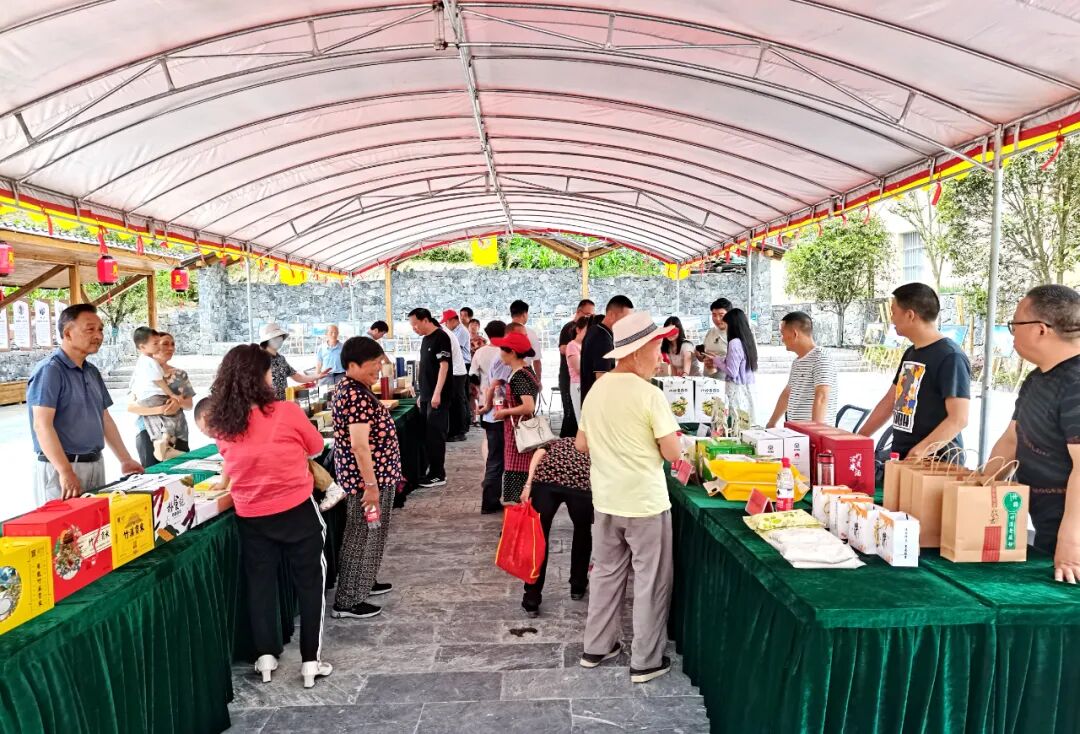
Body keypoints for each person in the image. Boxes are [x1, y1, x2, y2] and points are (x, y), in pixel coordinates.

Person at [203, 345, 332, 688]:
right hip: (297, 509)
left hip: (251, 514)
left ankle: (265, 657)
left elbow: (231, 461)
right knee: (311, 585)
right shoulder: (286, 412)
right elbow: (317, 447)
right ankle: (310, 660)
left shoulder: (221, 422)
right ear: (260, 377)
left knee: (260, 585)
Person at [576, 310, 681, 684]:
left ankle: (597, 646)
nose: (661, 357)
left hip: (606, 500)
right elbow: (672, 453)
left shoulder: (597, 389)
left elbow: (581, 443)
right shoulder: (650, 395)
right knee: (651, 582)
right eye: (657, 348)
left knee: (605, 574)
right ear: (637, 351)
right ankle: (645, 660)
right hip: (645, 503)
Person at [988, 285, 1080, 582]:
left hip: (1072, 537)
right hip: (1048, 525)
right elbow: (1012, 438)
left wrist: (1071, 541)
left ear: (1041, 329)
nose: (1012, 333)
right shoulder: (1037, 378)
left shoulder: (1076, 382)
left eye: (1015, 324)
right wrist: (979, 488)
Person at [28, 304, 143, 504]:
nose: (98, 335)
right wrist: (65, 471)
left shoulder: (92, 371)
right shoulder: (50, 370)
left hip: (94, 463)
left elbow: (104, 419)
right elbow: (41, 425)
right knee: (64, 524)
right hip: (61, 468)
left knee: (95, 522)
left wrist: (125, 459)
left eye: (100, 329)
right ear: (67, 333)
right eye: (90, 329)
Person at [329, 337, 403, 618]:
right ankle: (347, 601)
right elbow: (360, 446)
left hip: (376, 479)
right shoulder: (354, 395)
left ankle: (364, 581)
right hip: (367, 483)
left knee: (372, 532)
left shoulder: (357, 389)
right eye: (374, 363)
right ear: (352, 365)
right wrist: (370, 486)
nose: (379, 368)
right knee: (361, 536)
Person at [858, 283, 971, 459]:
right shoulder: (911, 352)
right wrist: (859, 438)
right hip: (904, 457)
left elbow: (959, 419)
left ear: (910, 315)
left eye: (894, 312)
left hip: (935, 463)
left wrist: (920, 451)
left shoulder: (951, 357)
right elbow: (891, 400)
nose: (892, 319)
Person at [518, 437, 593, 617]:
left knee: (539, 537)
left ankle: (531, 598)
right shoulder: (593, 441)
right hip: (580, 484)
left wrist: (528, 484)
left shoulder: (555, 442)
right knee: (582, 531)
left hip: (546, 482)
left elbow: (539, 453)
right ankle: (578, 585)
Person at [129, 331, 195, 466]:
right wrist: (162, 409)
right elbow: (131, 407)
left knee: (181, 474)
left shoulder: (179, 374)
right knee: (153, 474)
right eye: (165, 344)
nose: (170, 348)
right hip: (148, 433)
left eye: (173, 344)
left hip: (178, 432)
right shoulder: (142, 371)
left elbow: (189, 405)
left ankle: (167, 446)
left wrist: (178, 402)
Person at [491, 332, 540, 504]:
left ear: (512, 352)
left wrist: (505, 412)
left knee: (518, 483)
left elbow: (528, 406)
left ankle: (520, 517)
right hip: (519, 434)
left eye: (501, 349)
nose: (500, 354)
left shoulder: (519, 376)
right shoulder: (525, 370)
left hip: (519, 437)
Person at [767, 312, 838, 427]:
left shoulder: (821, 358)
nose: (782, 339)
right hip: (797, 432)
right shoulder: (797, 362)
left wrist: (815, 431)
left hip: (812, 433)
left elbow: (822, 396)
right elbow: (787, 394)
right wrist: (771, 423)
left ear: (794, 334)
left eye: (783, 334)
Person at [409, 308, 452, 487]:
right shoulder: (425, 339)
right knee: (427, 435)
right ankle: (431, 470)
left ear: (425, 320)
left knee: (435, 435)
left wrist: (436, 393)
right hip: (427, 395)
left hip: (438, 396)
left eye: (415, 324)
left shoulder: (441, 337)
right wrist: (422, 394)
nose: (414, 328)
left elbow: (444, 366)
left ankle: (438, 474)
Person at [472, 320, 511, 514]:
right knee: (497, 458)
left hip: (487, 409)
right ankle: (490, 500)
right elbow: (496, 386)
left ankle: (491, 497)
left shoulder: (481, 352)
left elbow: (472, 377)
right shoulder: (503, 355)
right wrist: (489, 404)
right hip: (497, 411)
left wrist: (480, 397)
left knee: (494, 455)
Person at [579, 295, 634, 402]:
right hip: (598, 405)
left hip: (590, 402)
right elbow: (602, 380)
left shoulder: (595, 330)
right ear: (612, 315)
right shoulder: (602, 339)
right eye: (625, 319)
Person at [259, 322, 328, 401]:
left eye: (280, 336)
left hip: (283, 403)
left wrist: (317, 376)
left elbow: (297, 377)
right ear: (267, 341)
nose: (280, 339)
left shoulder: (281, 359)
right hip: (267, 403)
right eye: (276, 337)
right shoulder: (259, 359)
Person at [558, 299, 596, 437]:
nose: (590, 317)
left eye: (592, 315)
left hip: (582, 381)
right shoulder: (569, 329)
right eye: (588, 314)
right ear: (579, 311)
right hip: (570, 379)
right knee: (571, 415)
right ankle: (566, 444)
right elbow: (563, 348)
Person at [719, 308, 758, 428]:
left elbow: (732, 372)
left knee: (734, 424)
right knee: (745, 424)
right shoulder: (748, 339)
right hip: (748, 388)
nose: (725, 329)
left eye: (726, 325)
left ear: (732, 325)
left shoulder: (734, 342)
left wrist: (717, 361)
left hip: (736, 389)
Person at [440, 309, 471, 440]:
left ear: (453, 320)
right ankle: (462, 426)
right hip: (457, 367)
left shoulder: (461, 331)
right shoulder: (453, 332)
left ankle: (460, 430)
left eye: (447, 322)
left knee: (459, 400)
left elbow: (453, 349)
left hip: (461, 367)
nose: (446, 325)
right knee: (460, 399)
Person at [696, 298, 731, 377]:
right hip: (708, 379)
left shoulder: (735, 334)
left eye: (721, 315)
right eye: (714, 315)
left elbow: (740, 362)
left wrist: (717, 361)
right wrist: (700, 356)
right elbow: (704, 356)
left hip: (726, 379)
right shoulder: (710, 332)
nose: (717, 319)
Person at [509, 299, 542, 382]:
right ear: (524, 314)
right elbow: (536, 361)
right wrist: (538, 380)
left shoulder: (502, 332)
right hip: (524, 376)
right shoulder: (530, 333)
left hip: (505, 375)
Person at [564, 316, 590, 421]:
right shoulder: (572, 345)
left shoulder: (587, 345)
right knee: (582, 418)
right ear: (578, 330)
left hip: (586, 383)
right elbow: (578, 369)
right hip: (578, 384)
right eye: (587, 331)